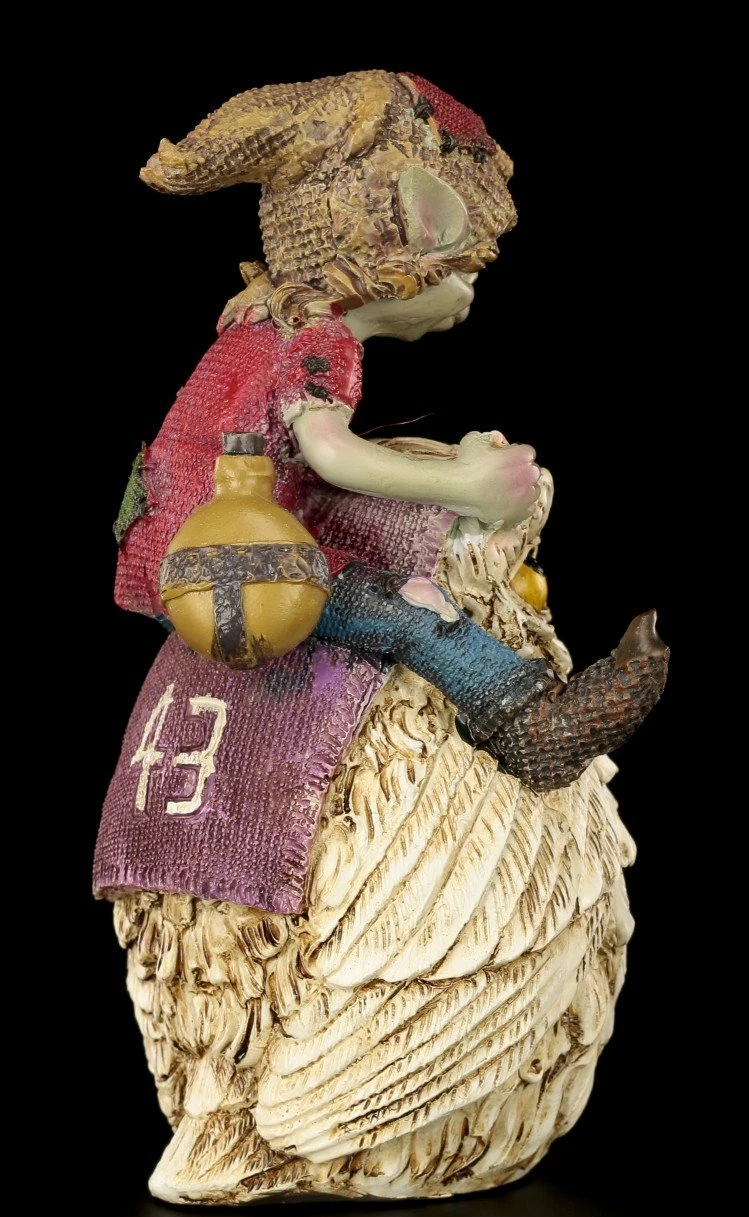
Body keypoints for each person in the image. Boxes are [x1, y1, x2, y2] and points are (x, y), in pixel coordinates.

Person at [116, 70, 666, 792]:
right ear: (413, 243)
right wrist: (464, 483)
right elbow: (329, 452)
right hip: (229, 565)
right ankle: (531, 728)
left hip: (172, 540)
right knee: (416, 604)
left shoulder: (260, 322)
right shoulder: (322, 340)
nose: (469, 291)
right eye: (465, 267)